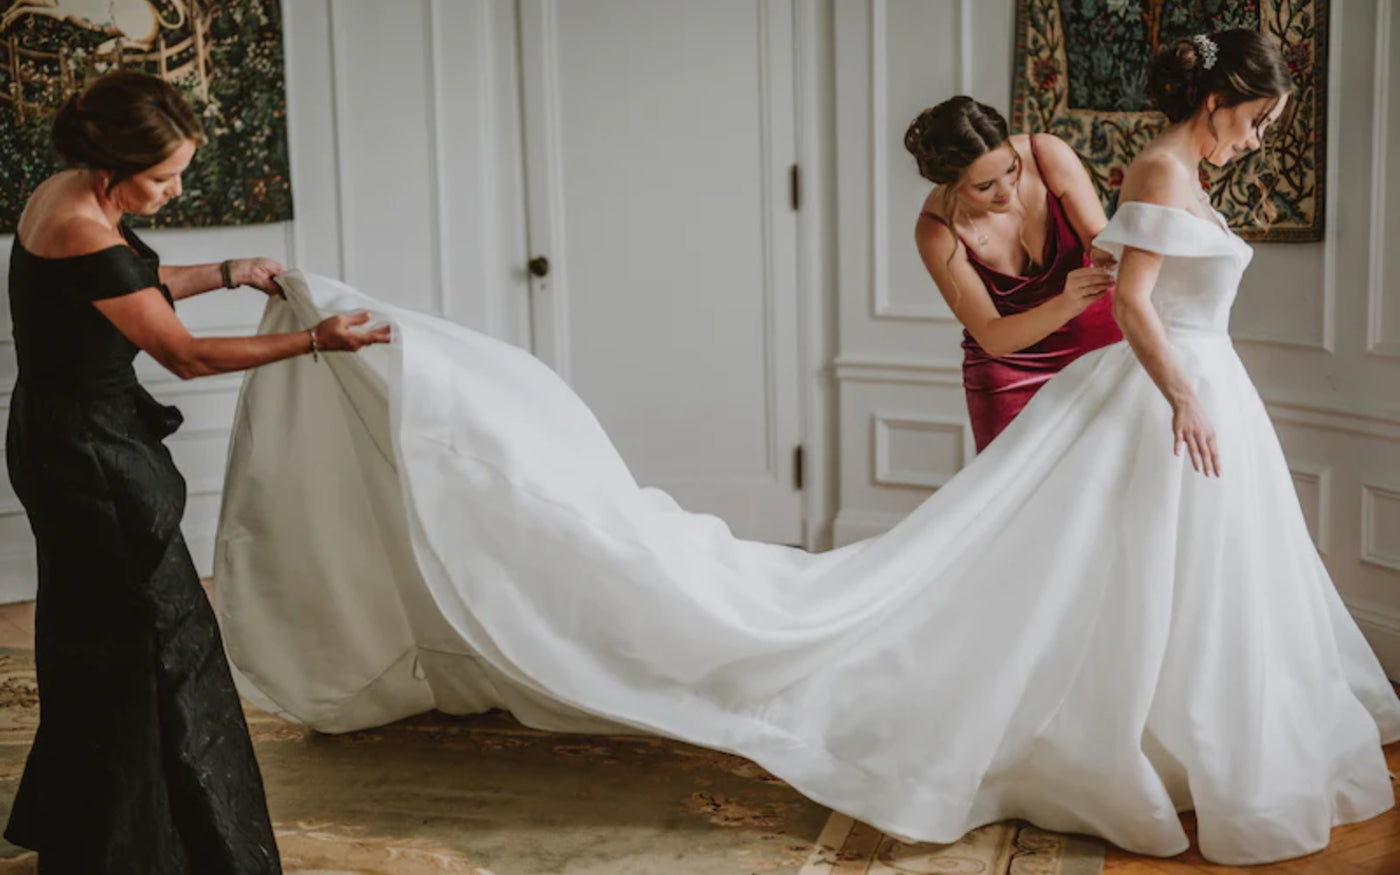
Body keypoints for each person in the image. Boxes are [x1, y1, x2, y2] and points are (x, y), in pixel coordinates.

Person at [216, 31, 1400, 867]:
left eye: (1002, 169)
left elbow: (1112, 257)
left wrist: (1124, 313)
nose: (999, 187)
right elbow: (1012, 321)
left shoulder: (1065, 160)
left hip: (1111, 363)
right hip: (1031, 363)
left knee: (1116, 564)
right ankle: (1007, 697)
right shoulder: (944, 227)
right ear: (945, 186)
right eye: (977, 183)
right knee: (1010, 561)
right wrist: (1144, 345)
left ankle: (1124, 713)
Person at [4, 70, 388, 872]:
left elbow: (124, 291)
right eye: (163, 176)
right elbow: (182, 352)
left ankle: (103, 836)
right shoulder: (82, 224)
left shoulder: (70, 193)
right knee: (164, 640)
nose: (176, 190)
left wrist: (225, 271)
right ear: (111, 165)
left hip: (64, 436)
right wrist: (316, 342)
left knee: (99, 636)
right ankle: (165, 847)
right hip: (91, 456)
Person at [907, 98, 1122, 451]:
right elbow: (992, 336)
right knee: (1015, 498)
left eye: (1011, 168)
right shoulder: (937, 230)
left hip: (1101, 351)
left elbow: (1097, 240)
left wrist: (1122, 246)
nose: (1006, 190)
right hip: (1011, 373)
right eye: (984, 186)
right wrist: (1067, 303)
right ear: (950, 185)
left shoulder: (1046, 154)